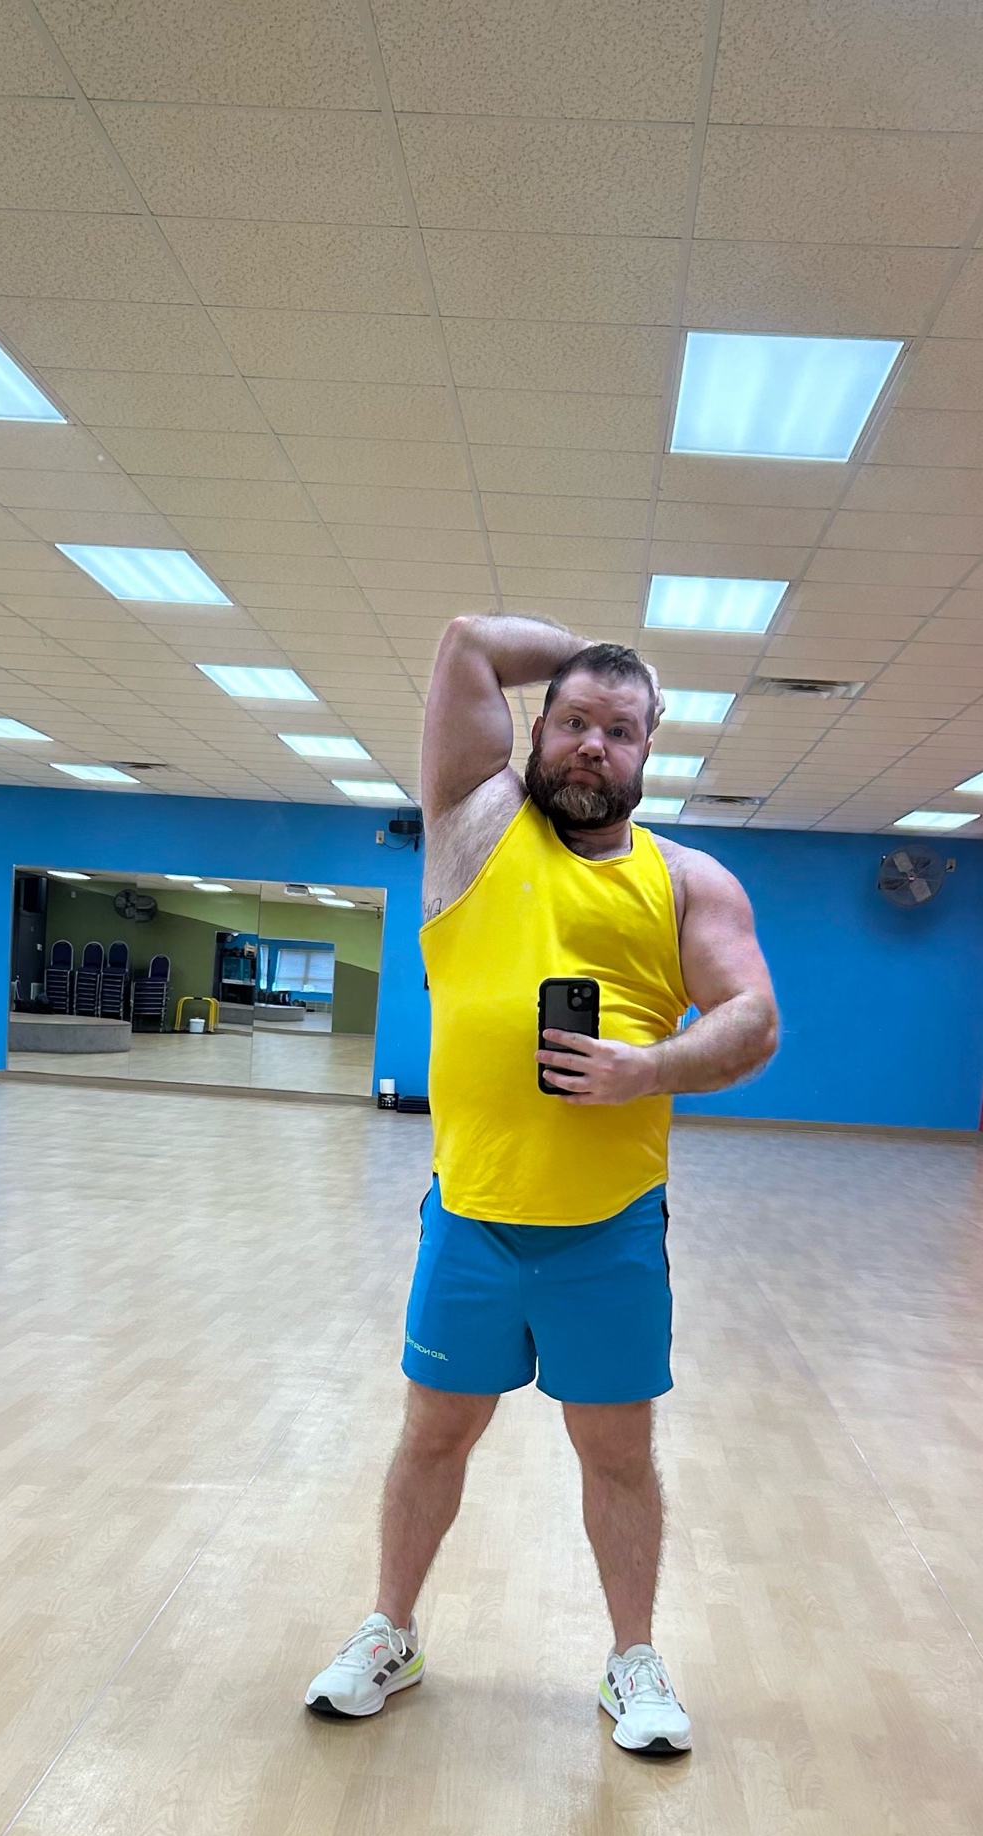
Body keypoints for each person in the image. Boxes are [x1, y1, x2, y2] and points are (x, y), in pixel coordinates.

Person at [306, 614, 778, 1754]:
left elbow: (753, 1019)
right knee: (431, 1435)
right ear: (537, 727)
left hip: (607, 1233)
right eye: (572, 719)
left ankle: (632, 1659)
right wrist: (616, 657)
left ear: (648, 750)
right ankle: (390, 1629)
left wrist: (646, 1069)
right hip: (470, 1220)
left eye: (621, 729)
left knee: (616, 1453)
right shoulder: (471, 825)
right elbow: (466, 642)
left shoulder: (686, 881)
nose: (592, 744)